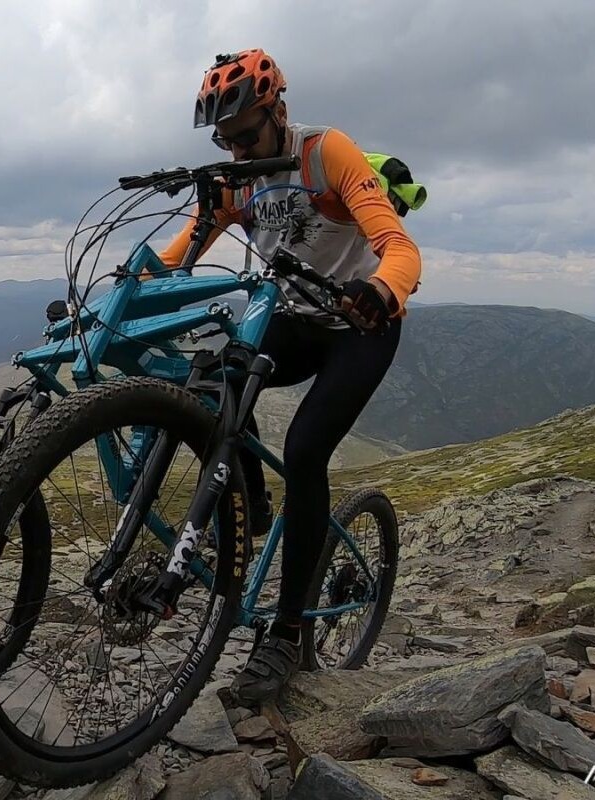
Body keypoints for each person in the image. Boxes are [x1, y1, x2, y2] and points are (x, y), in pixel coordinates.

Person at [157, 49, 422, 702]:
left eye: (247, 134)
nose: (239, 151)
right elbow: (178, 259)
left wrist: (381, 291)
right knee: (210, 379)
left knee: (305, 451)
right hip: (291, 320)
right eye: (225, 140)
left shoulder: (326, 153)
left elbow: (400, 249)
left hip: (359, 325)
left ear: (279, 111)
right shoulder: (238, 181)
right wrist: (127, 291)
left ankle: (286, 633)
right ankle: (250, 505)